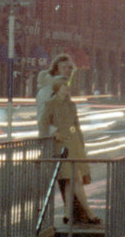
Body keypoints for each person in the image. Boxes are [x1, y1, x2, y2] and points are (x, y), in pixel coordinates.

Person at [38, 66, 100, 225]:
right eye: (65, 87)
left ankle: (67, 214)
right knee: (75, 180)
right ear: (59, 88)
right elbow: (43, 123)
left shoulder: (71, 105)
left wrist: (81, 142)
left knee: (70, 181)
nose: (68, 90)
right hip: (63, 146)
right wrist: (54, 132)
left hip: (75, 146)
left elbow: (76, 125)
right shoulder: (51, 104)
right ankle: (90, 213)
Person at [36, 53, 74, 138]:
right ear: (56, 70)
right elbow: (42, 118)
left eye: (69, 67)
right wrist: (56, 133)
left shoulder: (63, 89)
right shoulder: (47, 90)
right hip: (51, 141)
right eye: (64, 67)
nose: (68, 70)